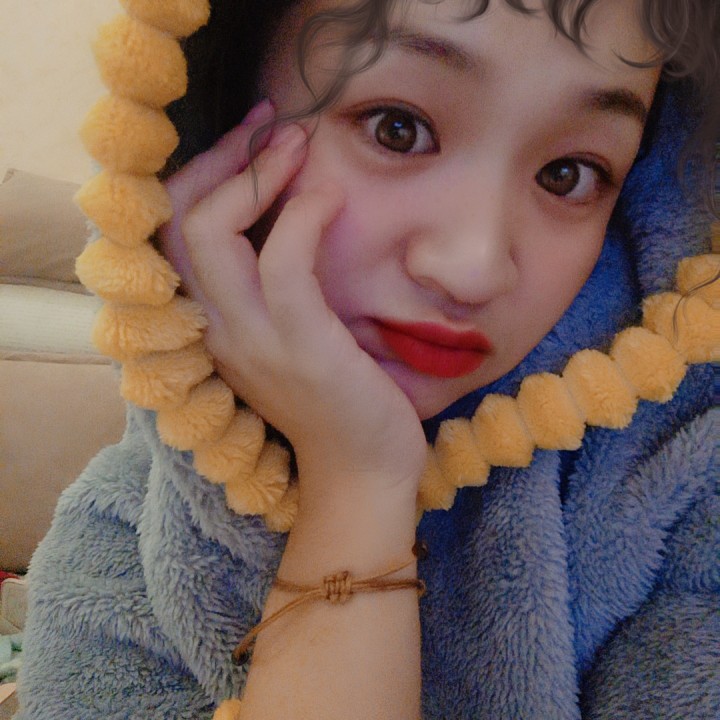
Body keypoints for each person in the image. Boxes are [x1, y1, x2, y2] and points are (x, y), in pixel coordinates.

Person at [15, 0, 718, 718]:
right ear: (217, 123)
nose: (474, 269)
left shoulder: (688, 479)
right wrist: (358, 484)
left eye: (569, 174)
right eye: (397, 129)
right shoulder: (116, 557)